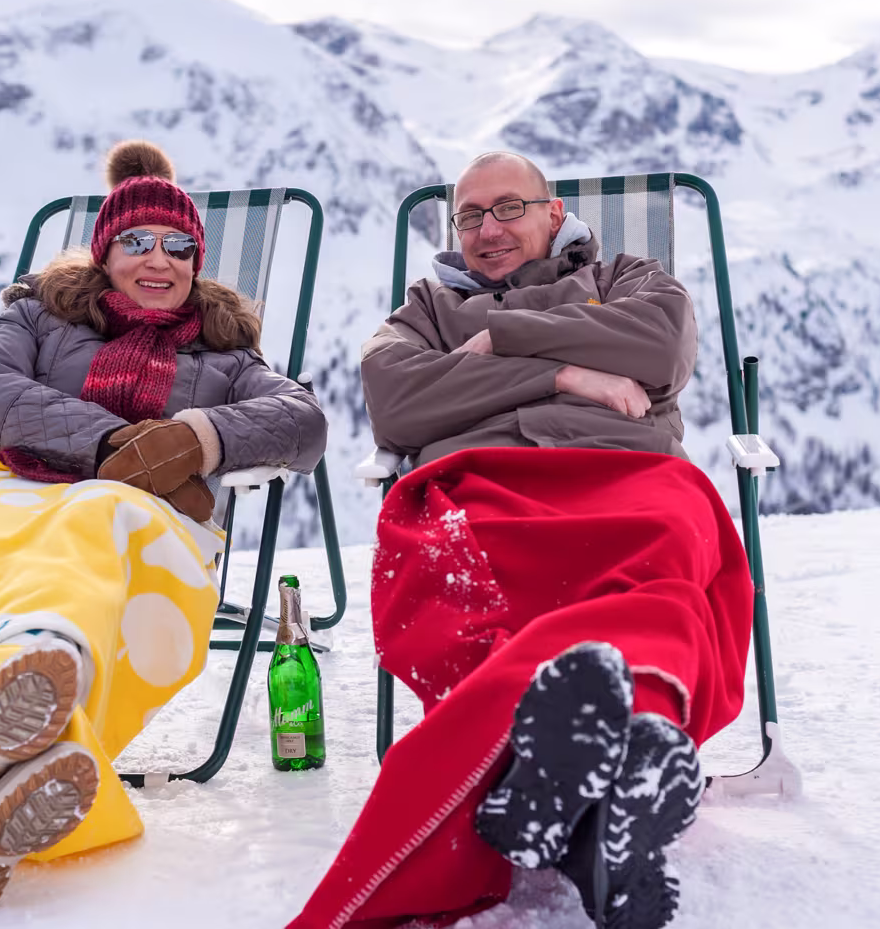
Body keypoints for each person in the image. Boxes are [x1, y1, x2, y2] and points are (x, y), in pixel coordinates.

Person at [0, 141, 327, 910]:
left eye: (179, 246)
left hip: (135, 519)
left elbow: (303, 420)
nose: (158, 259)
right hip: (9, 489)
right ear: (104, 252)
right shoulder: (39, 313)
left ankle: (0, 720)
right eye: (137, 241)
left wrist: (190, 441)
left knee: (92, 526)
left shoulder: (225, 351)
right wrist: (112, 443)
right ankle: (5, 755)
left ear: (197, 261)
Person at [288, 152, 754, 929]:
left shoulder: (626, 277)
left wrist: (495, 340)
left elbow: (658, 347)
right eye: (470, 216)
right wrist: (565, 374)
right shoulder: (427, 307)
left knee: (669, 552)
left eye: (508, 208)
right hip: (477, 485)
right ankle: (615, 773)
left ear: (554, 212)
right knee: (452, 573)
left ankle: (562, 775)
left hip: (624, 475)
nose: (488, 229)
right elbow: (397, 399)